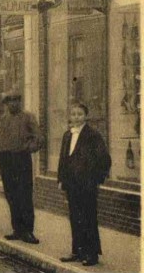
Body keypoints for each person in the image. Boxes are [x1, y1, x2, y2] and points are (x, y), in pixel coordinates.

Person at [57, 103, 111, 267]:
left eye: (80, 114)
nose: (76, 117)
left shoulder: (93, 135)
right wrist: (61, 179)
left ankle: (92, 254)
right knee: (75, 217)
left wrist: (96, 180)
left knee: (88, 217)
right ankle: (77, 251)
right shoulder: (67, 135)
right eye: (73, 114)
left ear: (86, 116)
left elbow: (105, 159)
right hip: (72, 184)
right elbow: (63, 159)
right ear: (70, 116)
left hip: (87, 185)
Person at [0, 94, 43, 244]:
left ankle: (28, 231)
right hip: (6, 159)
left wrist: (28, 148)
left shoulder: (28, 117)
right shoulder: (4, 118)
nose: (13, 104)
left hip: (21, 159)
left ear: (20, 102)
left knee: (24, 194)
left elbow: (38, 137)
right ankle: (17, 229)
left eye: (16, 101)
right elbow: (0, 138)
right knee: (11, 194)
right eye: (10, 102)